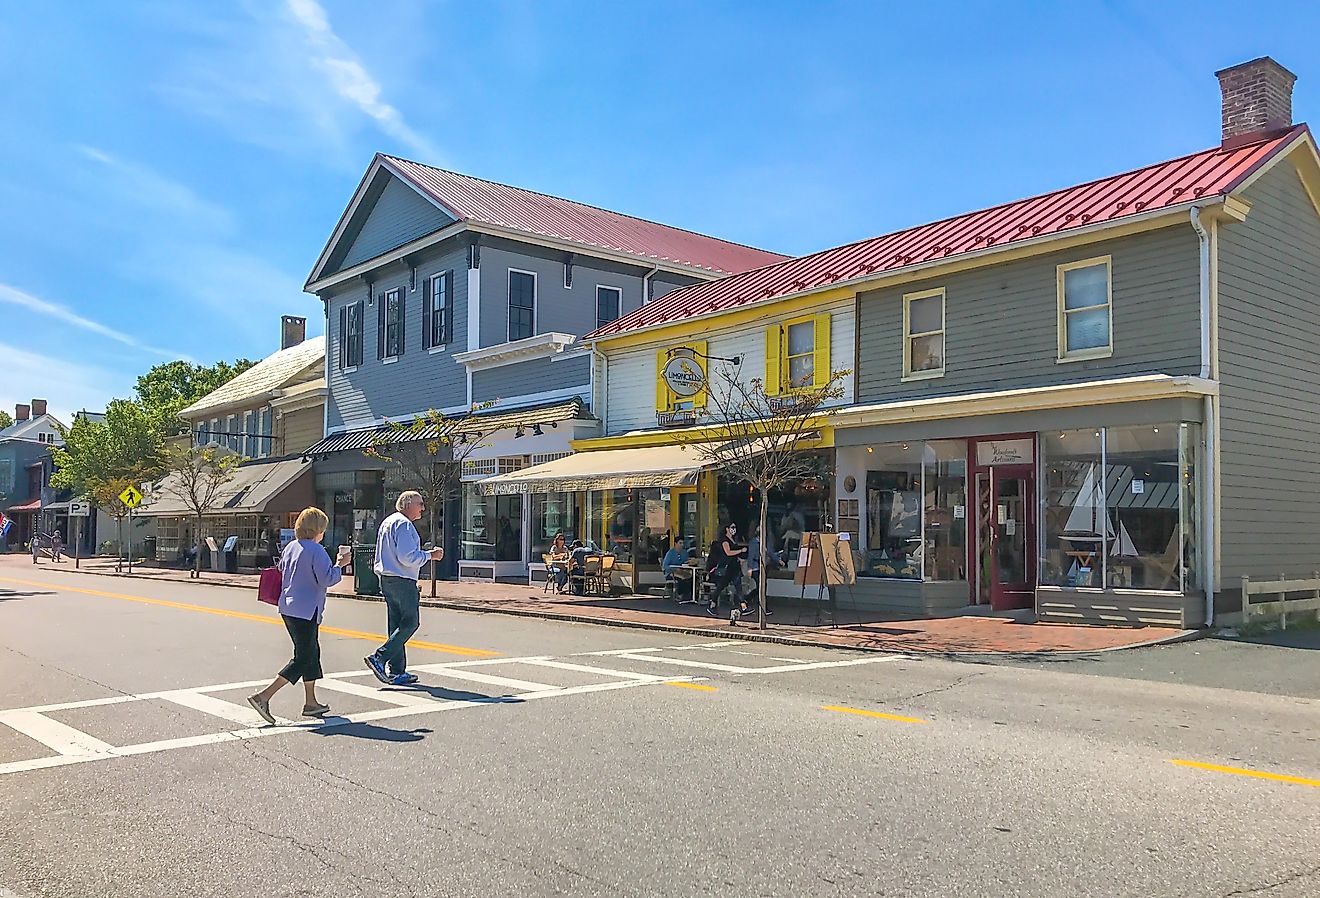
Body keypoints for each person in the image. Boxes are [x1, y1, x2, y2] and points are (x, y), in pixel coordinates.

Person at [248, 507, 350, 725]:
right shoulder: (317, 550)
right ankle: (263, 696)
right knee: (303, 657)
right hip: (307, 610)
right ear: (318, 529)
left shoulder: (291, 547)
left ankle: (311, 702)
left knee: (310, 653)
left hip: (289, 607)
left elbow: (283, 570)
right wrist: (340, 564)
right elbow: (327, 579)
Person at [364, 491, 444, 686]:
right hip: (401, 578)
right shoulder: (404, 524)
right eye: (420, 504)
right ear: (408, 504)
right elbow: (407, 557)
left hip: (387, 577)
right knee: (410, 622)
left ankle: (397, 671)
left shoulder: (389, 522)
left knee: (396, 625)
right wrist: (430, 555)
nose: (422, 508)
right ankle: (380, 657)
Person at [706, 523, 750, 622]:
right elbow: (728, 552)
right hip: (727, 568)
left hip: (734, 567)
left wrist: (740, 559)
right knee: (721, 586)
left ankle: (744, 606)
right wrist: (741, 550)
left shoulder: (732, 540)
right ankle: (712, 604)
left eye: (735, 527)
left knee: (738, 586)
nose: (734, 529)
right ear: (727, 529)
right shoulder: (724, 541)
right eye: (732, 527)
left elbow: (732, 554)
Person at [744, 526, 780, 616]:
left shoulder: (766, 542)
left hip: (763, 566)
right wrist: (750, 568)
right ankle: (763, 606)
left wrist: (778, 560)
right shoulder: (753, 542)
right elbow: (751, 556)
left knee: (762, 587)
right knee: (761, 587)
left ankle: (747, 599)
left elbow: (770, 553)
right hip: (755, 567)